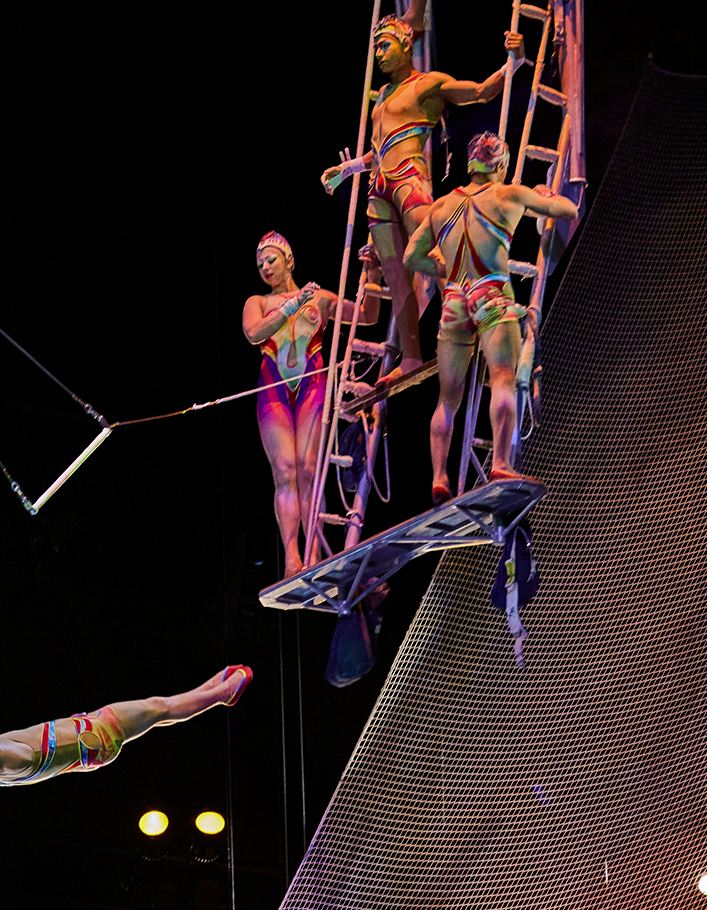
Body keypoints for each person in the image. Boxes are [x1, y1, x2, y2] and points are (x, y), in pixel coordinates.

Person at [321, 4, 525, 385]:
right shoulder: (381, 96)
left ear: (405, 44)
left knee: (439, 253)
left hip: (409, 180)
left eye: (384, 46)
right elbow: (378, 149)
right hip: (378, 188)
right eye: (376, 47)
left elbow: (481, 92)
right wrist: (346, 171)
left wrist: (513, 62)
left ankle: (487, 314)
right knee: (397, 276)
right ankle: (411, 357)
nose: (378, 54)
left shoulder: (428, 85)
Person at [402, 132, 578, 503]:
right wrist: (546, 195)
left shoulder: (439, 208)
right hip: (492, 294)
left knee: (447, 400)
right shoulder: (509, 194)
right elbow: (569, 210)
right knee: (501, 378)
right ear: (500, 164)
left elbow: (409, 258)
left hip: (453, 300)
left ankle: (438, 477)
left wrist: (438, 266)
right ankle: (500, 461)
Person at [243, 232, 382, 576]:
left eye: (271, 260)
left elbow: (368, 316)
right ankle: (292, 557)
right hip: (273, 386)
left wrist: (375, 275)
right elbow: (254, 333)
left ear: (289, 260)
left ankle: (313, 552)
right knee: (285, 471)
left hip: (312, 383)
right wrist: (291, 305)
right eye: (260, 264)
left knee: (308, 468)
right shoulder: (257, 302)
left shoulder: (319, 298)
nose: (265, 268)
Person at [0, 666, 253, 786]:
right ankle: (222, 694)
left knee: (160, 712)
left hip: (83, 731)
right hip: (95, 737)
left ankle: (210, 691)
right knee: (158, 708)